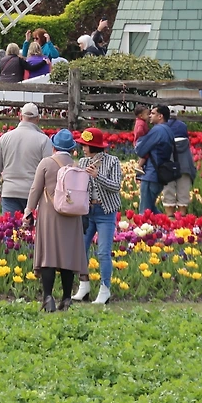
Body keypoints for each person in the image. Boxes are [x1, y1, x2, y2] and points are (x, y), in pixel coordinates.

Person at [23, 129, 88, 312]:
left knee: (48, 256)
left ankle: (48, 297)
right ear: (72, 148)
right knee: (67, 257)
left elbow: (36, 189)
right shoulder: (76, 166)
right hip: (72, 216)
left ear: (53, 147)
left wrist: (28, 212)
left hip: (50, 214)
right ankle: (67, 298)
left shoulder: (46, 163)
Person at [72, 128, 123, 305]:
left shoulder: (112, 162)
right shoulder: (83, 162)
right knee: (80, 250)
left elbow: (116, 186)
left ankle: (105, 288)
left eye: (86, 145)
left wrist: (97, 176)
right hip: (87, 212)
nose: (83, 148)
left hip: (105, 212)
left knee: (103, 252)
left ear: (95, 146)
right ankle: (84, 285)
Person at [0, 102, 53, 215]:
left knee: (10, 228)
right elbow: (49, 171)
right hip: (34, 194)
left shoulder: (5, 138)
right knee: (32, 231)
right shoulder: (44, 140)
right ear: (38, 119)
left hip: (10, 191)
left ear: (20, 116)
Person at [134, 108, 175, 214]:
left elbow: (140, 149)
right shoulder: (169, 130)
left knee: (145, 211)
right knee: (151, 209)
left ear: (160, 116)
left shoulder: (158, 130)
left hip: (151, 174)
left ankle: (147, 229)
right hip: (160, 174)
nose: (150, 116)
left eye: (152, 113)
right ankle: (167, 227)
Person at [159, 106, 197, 215]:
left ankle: (170, 215)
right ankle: (182, 216)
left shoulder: (162, 127)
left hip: (168, 164)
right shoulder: (183, 126)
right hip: (185, 163)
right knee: (183, 190)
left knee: (168, 189)